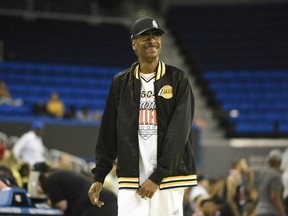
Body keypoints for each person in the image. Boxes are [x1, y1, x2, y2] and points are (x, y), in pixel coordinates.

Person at [88, 16, 197, 216]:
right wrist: (99, 175)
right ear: (133, 44)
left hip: (169, 177)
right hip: (131, 175)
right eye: (145, 36)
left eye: (156, 35)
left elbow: (179, 133)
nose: (152, 40)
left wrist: (158, 176)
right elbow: (108, 132)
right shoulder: (120, 82)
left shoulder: (178, 79)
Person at [34, 162, 117, 216]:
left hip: (97, 206)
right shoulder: (61, 174)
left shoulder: (51, 180)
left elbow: (62, 205)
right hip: (107, 200)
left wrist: (50, 202)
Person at [254, 149, 286, 216]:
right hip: (270, 212)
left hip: (259, 211)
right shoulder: (276, 175)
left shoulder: (261, 173)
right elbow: (275, 197)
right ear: (279, 161)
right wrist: (282, 214)